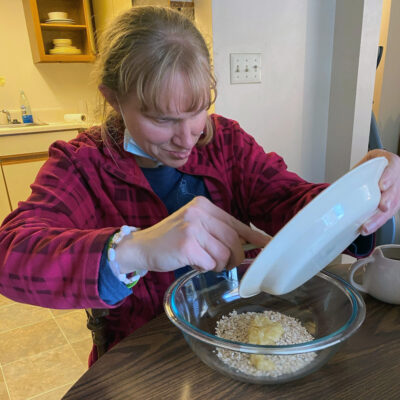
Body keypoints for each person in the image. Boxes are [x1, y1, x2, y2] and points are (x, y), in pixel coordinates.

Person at [0, 6, 399, 366]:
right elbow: (10, 255)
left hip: (231, 338)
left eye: (197, 110)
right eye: (162, 119)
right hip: (140, 359)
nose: (187, 137)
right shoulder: (82, 165)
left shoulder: (226, 142)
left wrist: (361, 197)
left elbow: (289, 201)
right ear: (113, 98)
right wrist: (133, 250)